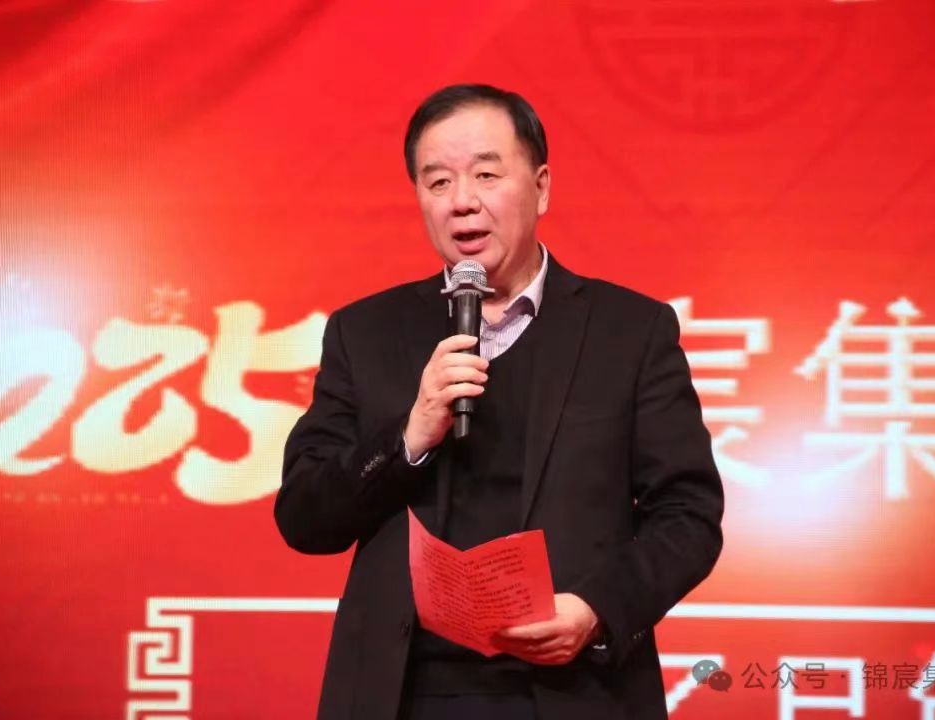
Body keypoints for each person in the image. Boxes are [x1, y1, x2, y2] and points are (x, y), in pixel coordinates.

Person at [274, 84, 724, 720]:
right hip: (402, 695)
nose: (462, 200)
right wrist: (409, 436)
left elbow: (687, 515)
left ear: (541, 188)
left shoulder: (629, 331)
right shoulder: (364, 332)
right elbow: (304, 517)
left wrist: (595, 610)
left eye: (486, 174)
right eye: (438, 182)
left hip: (573, 690)